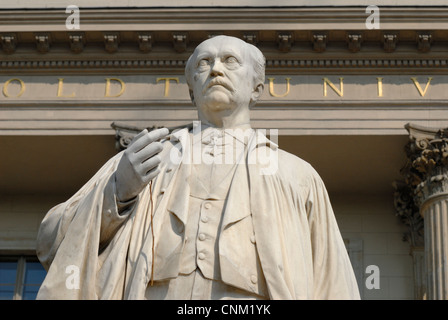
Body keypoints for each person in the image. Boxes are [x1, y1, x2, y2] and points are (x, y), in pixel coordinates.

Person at [36, 35, 360, 300]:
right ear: (192, 91)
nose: (216, 69)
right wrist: (118, 192)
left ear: (257, 89)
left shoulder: (297, 176)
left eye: (230, 61)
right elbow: (50, 242)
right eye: (205, 63)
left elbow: (335, 287)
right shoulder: (146, 162)